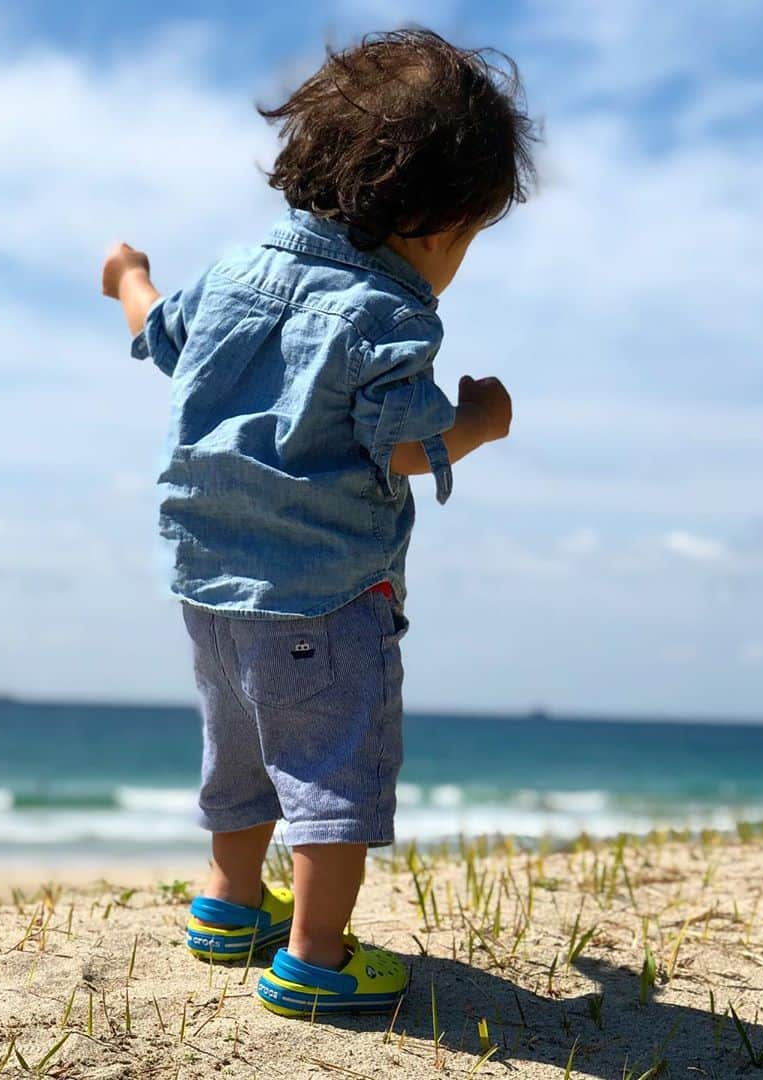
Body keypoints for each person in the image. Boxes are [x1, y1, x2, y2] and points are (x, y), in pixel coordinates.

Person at [102, 28, 535, 1016]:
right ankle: (314, 959)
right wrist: (482, 421)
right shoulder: (386, 311)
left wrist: (127, 276)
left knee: (241, 743)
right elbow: (411, 447)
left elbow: (159, 331)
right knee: (331, 771)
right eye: (466, 240)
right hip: (327, 593)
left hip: (209, 585)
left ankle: (227, 901)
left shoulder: (235, 271)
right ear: (434, 222)